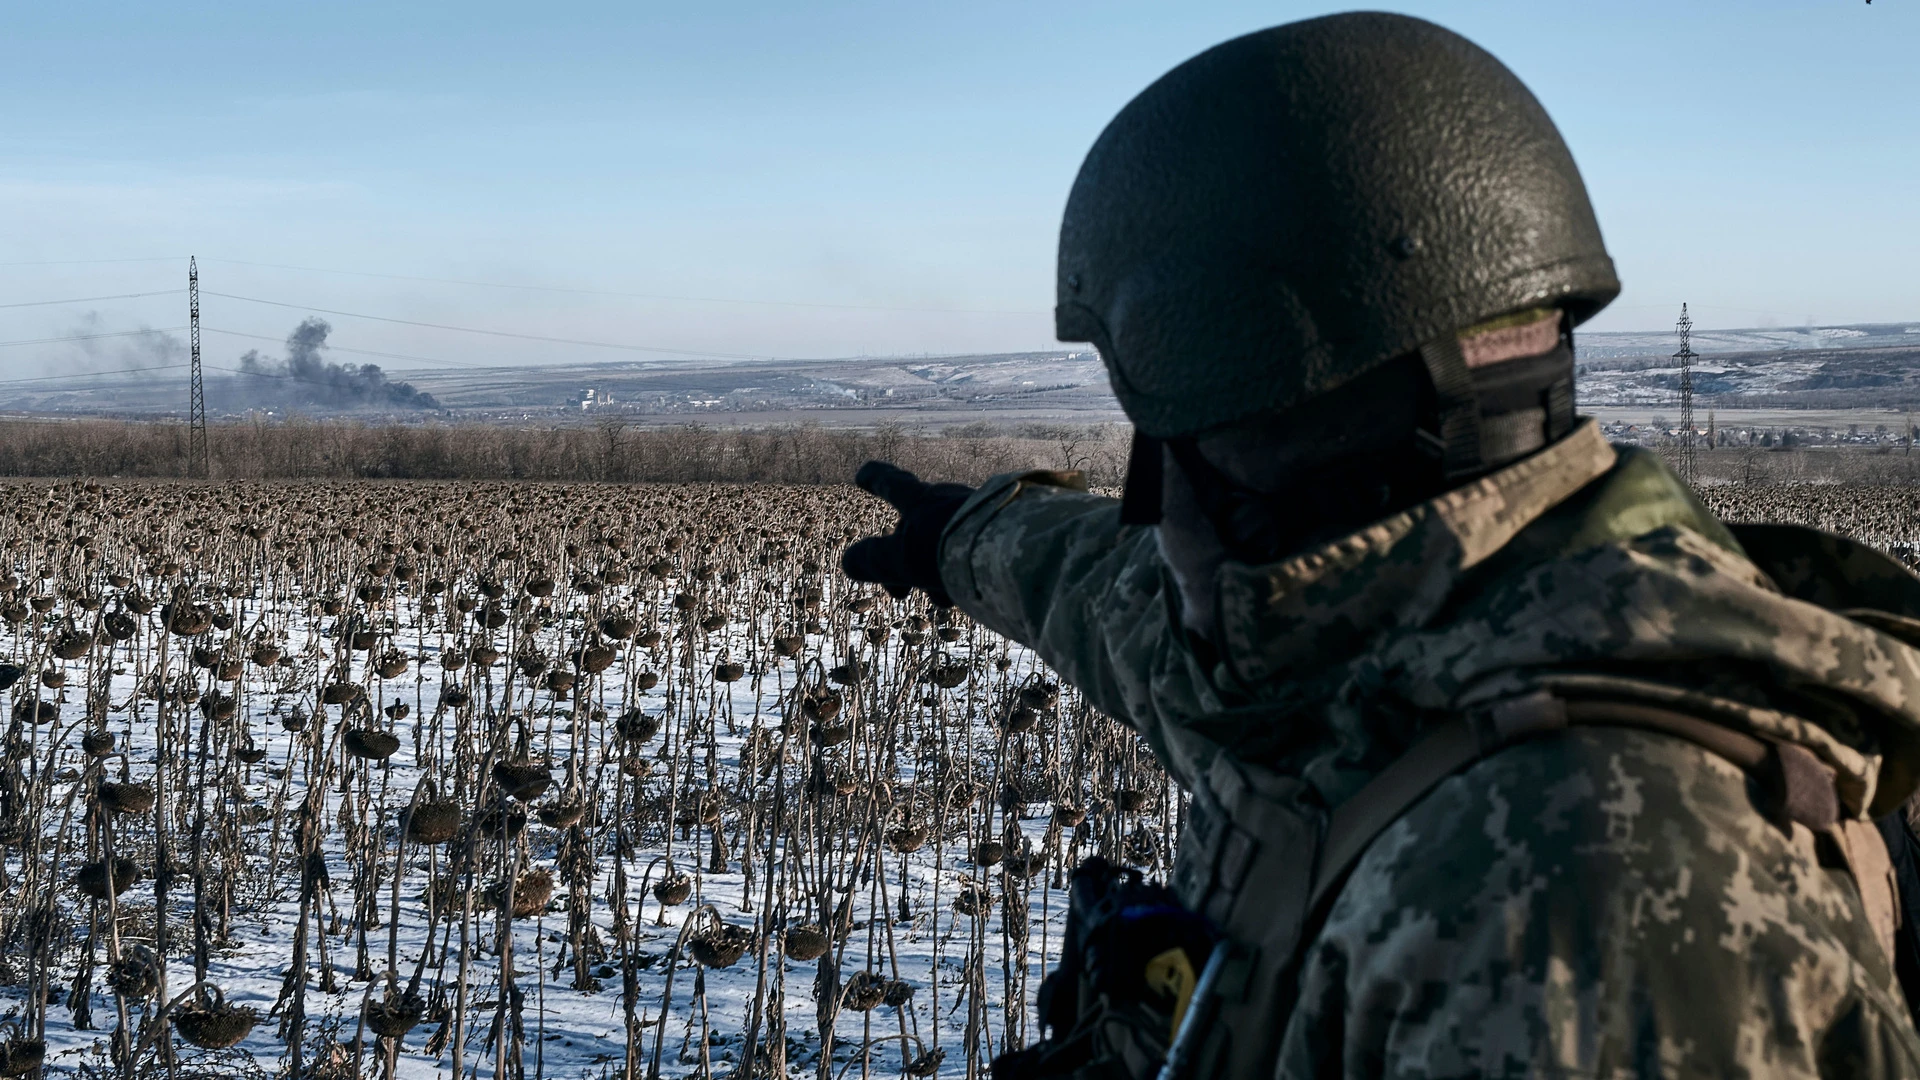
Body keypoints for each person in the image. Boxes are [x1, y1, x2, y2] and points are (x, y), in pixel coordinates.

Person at [842, 11, 1920, 1078]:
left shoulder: (1582, 896)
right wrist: (966, 538)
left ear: (1279, 441)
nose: (1152, 502)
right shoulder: (1379, 655)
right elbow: (1118, 606)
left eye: (1173, 439)